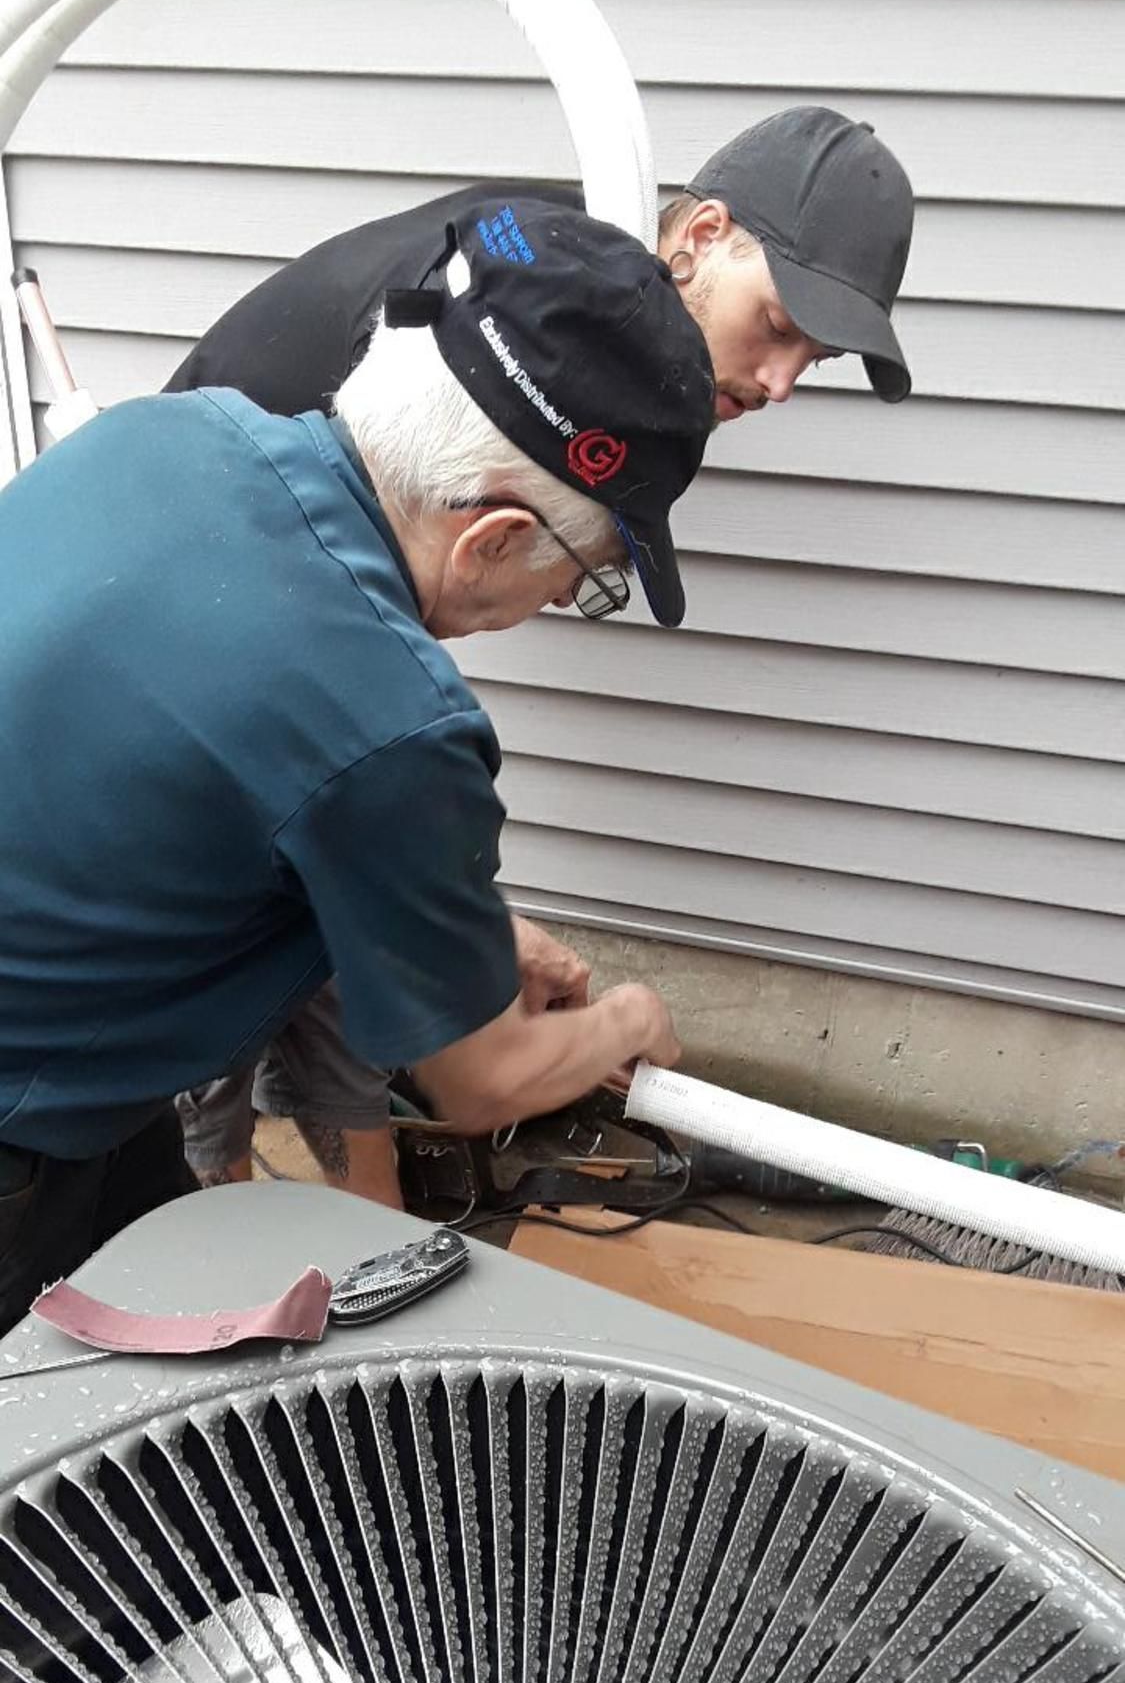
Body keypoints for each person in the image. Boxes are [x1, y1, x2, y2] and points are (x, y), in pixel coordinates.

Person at [167, 105, 916, 1200]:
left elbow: (383, 731)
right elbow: (359, 732)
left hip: (311, 652)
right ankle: (225, 1272)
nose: (785, 379)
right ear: (701, 234)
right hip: (202, 649)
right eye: (779, 324)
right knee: (219, 1034)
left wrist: (470, 926)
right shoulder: (507, 307)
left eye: (819, 353)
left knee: (343, 1026)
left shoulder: (604, 319)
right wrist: (531, 969)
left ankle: (379, 1276)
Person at [0, 198, 714, 1332]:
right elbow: (481, 1083)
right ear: (492, 537)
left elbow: (232, 789)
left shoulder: (173, 431)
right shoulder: (395, 719)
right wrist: (632, 1020)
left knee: (152, 1297)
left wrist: (482, 946)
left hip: (76, 1054)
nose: (558, 602)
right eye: (584, 576)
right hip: (22, 1112)